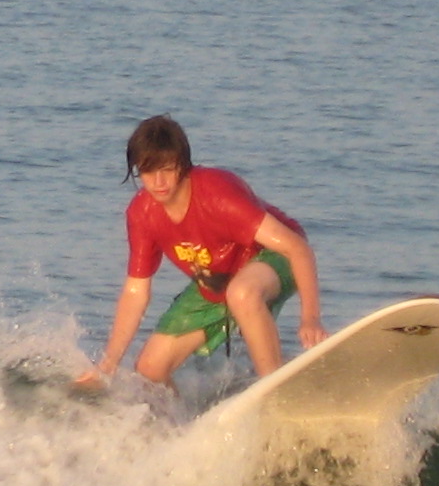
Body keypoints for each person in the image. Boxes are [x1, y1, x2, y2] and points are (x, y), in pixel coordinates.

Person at [74, 115, 326, 390]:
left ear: (182, 165)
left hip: (271, 259)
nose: (158, 182)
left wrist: (310, 318)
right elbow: (136, 292)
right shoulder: (142, 214)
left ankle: (273, 388)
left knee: (242, 292)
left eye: (167, 169)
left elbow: (297, 248)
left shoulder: (218, 194)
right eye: (147, 171)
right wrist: (109, 364)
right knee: (149, 369)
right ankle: (181, 427)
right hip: (217, 279)